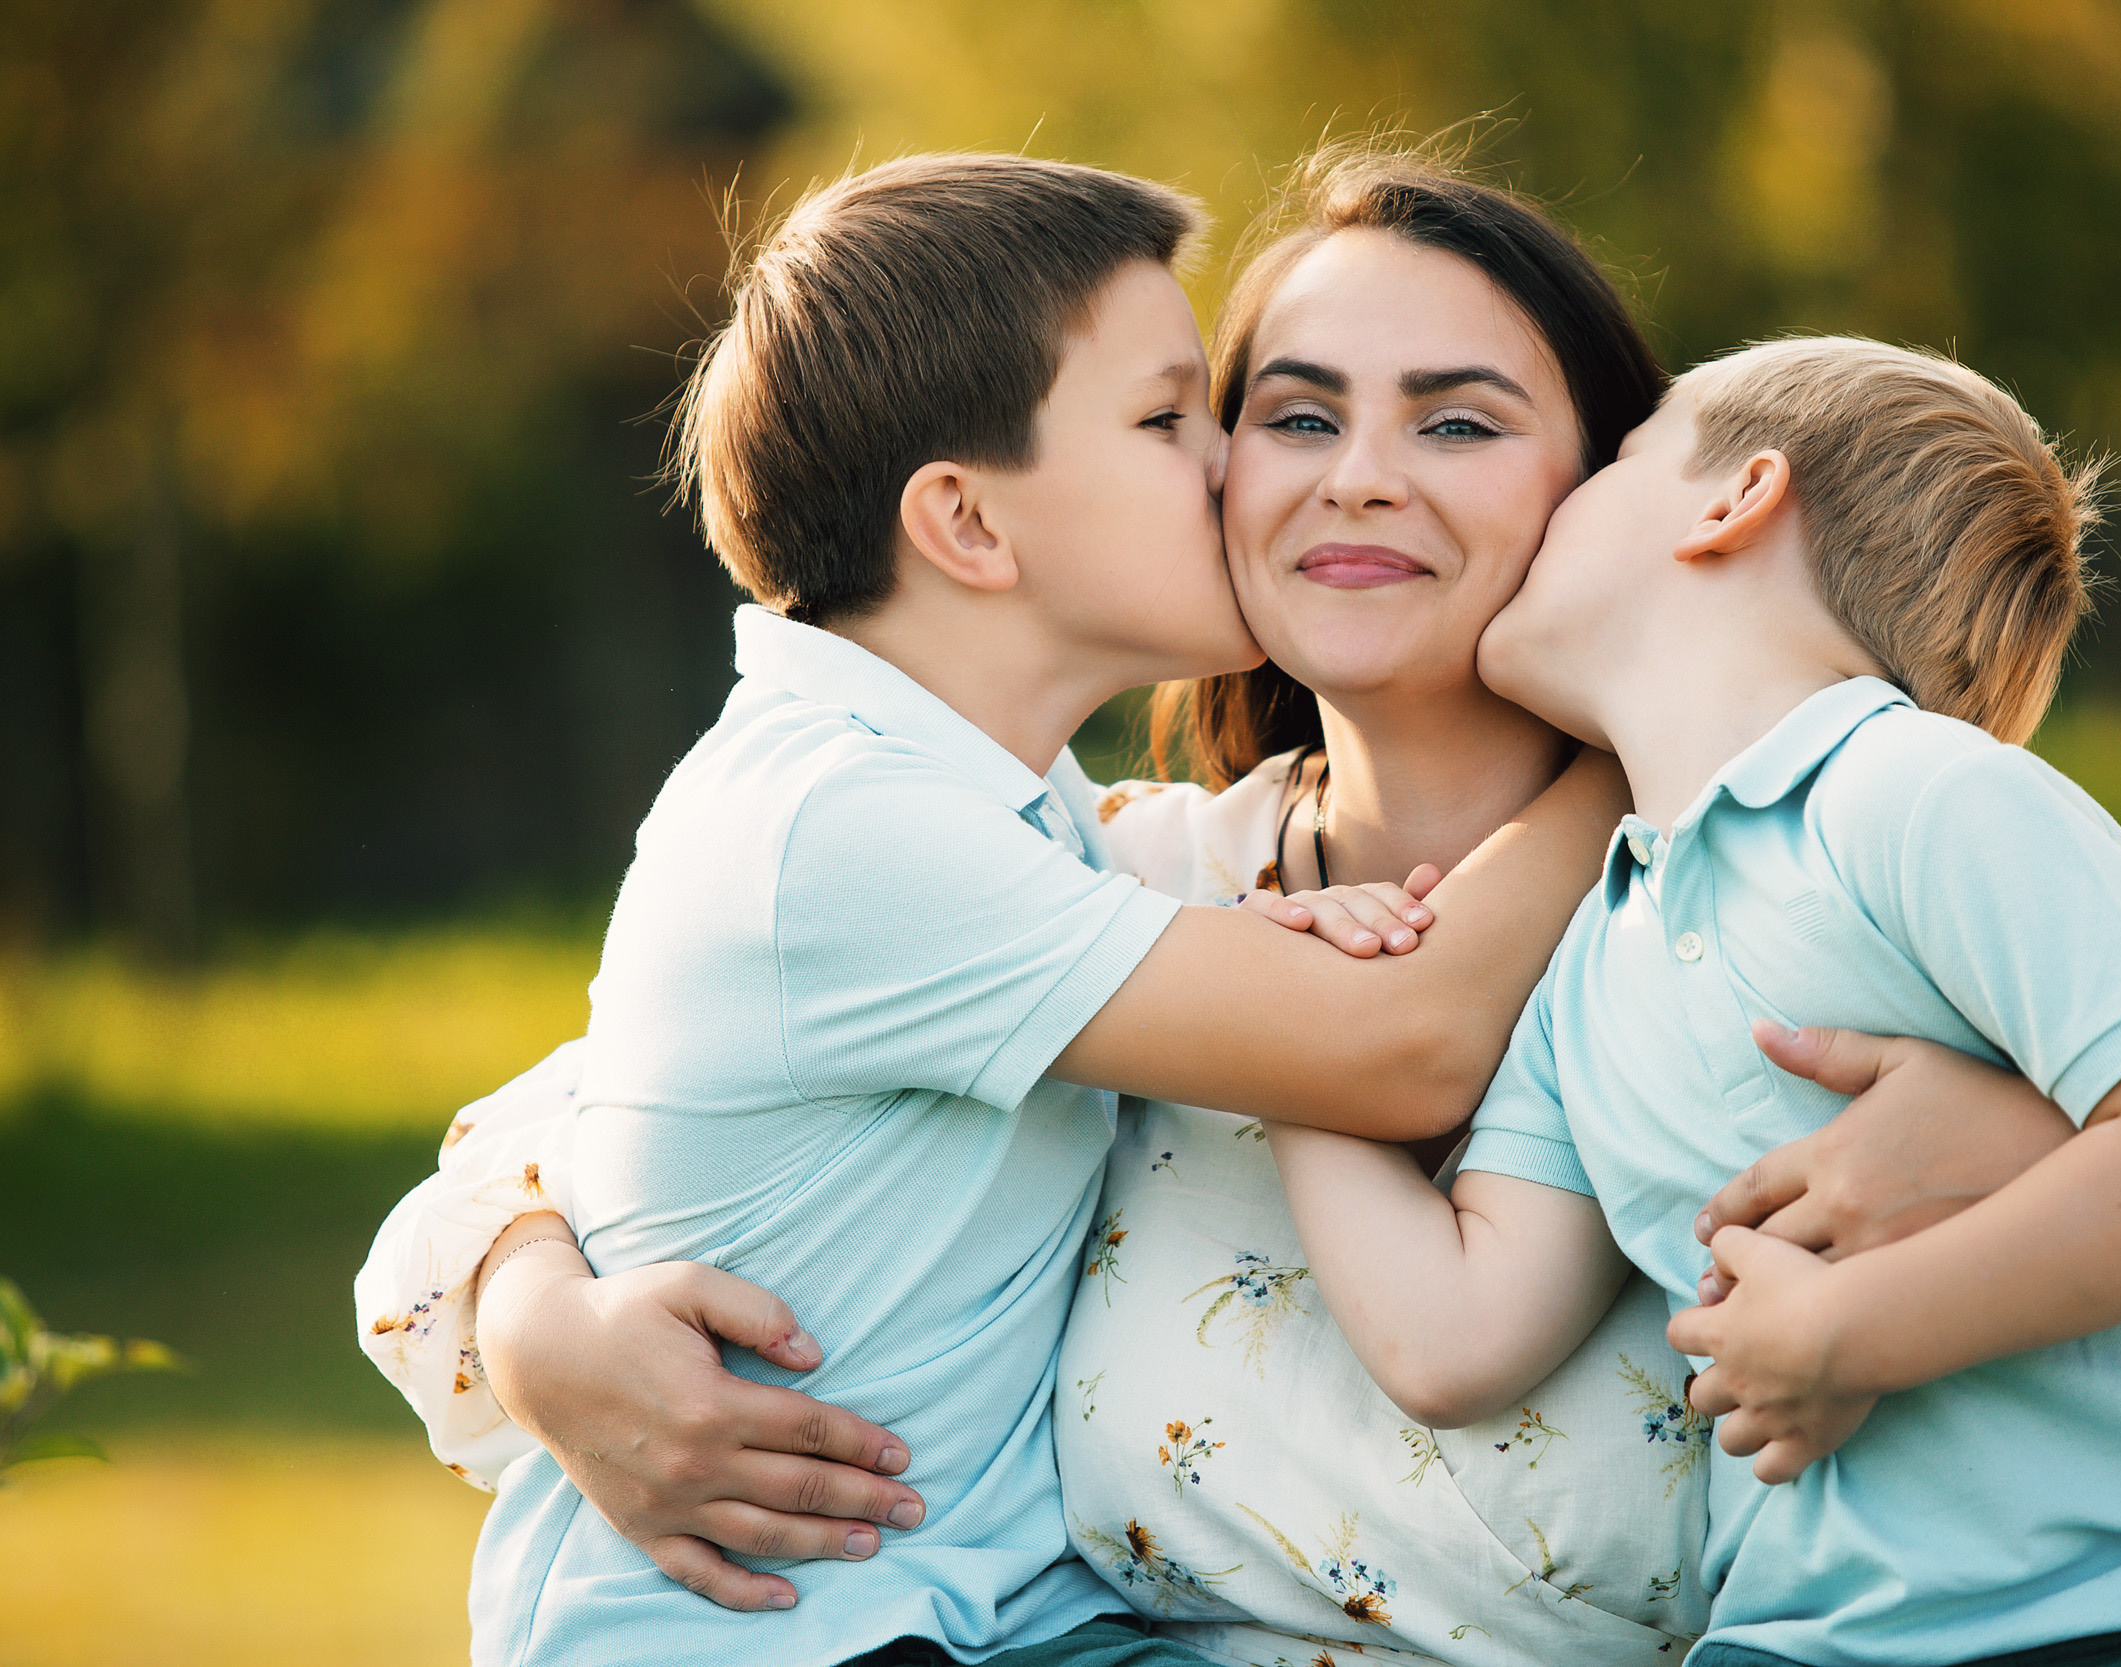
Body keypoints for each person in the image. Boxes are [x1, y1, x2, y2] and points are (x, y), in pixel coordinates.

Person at [361, 146, 2121, 1667]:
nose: (1349, 473)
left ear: (1622, 495)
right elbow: (502, 1188)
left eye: (1457, 419)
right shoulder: (1106, 875)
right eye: (1276, 414)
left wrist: (2016, 1148)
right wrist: (546, 1329)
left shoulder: (1806, 890)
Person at [433, 149, 1636, 1667]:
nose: (1247, 469)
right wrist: (1648, 747)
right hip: (786, 1633)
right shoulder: (863, 827)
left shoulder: (1039, 818)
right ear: (972, 528)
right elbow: (1395, 1042)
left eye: (1454, 420)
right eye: (1189, 417)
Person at [1262, 336, 2121, 1667]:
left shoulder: (1918, 797)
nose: (1560, 508)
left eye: (1618, 465)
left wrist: (1851, 1332)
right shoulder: (1590, 959)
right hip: (1805, 1635)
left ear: (1734, 501)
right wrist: (1285, 1001)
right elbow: (1451, 1334)